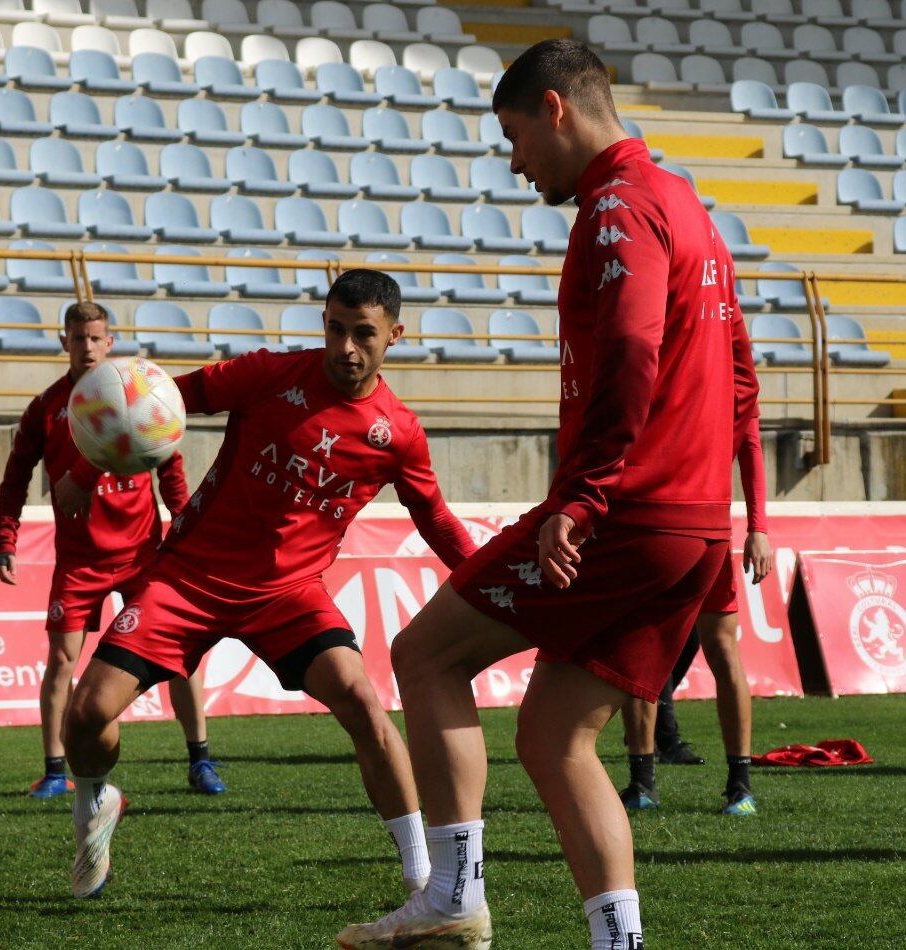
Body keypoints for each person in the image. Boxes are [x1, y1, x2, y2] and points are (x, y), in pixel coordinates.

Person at [336, 39, 760, 950]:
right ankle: (620, 944)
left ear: (557, 109)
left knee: (425, 655)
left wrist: (584, 495)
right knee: (554, 737)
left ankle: (452, 898)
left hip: (628, 509)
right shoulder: (690, 206)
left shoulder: (617, 210)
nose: (515, 161)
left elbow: (635, 357)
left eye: (515, 134)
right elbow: (740, 374)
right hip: (692, 526)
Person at [53, 270, 476, 900]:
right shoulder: (269, 374)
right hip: (189, 578)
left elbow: (435, 516)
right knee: (85, 718)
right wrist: (86, 472)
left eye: (364, 334)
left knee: (363, 704)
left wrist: (490, 581)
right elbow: (159, 403)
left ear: (395, 335)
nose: (346, 349)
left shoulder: (398, 434)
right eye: (336, 330)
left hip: (289, 594)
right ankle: (96, 802)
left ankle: (424, 879)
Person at [0, 301, 225, 800]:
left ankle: (200, 758)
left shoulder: (137, 397)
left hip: (143, 554)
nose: (88, 347)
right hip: (80, 560)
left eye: (97, 338)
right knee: (62, 661)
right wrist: (4, 537)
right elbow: (15, 478)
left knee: (180, 657)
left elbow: (170, 467)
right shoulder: (46, 408)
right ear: (65, 343)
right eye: (79, 339)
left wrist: (184, 524)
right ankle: (56, 769)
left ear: (110, 342)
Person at [619, 419, 774, 816]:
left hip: (704, 525)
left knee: (720, 649)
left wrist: (759, 527)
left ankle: (740, 784)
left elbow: (749, 444)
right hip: (657, 522)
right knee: (641, 646)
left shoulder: (727, 366)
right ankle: (643, 782)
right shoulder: (664, 362)